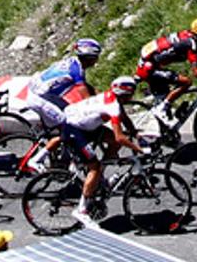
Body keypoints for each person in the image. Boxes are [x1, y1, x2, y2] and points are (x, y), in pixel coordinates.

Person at [57, 74, 139, 217]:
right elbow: (120, 137)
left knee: (112, 141)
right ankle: (81, 210)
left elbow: (124, 119)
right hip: (73, 129)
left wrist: (136, 134)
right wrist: (139, 148)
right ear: (125, 94)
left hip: (83, 125)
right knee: (94, 167)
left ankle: (99, 177)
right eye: (131, 94)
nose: (132, 97)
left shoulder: (112, 97)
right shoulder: (113, 107)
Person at [27, 39, 100, 156]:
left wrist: (101, 96)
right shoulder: (76, 70)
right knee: (69, 124)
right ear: (89, 58)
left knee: (69, 111)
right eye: (96, 56)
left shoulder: (74, 62)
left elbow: (86, 86)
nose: (97, 60)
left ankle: (58, 150)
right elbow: (86, 96)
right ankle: (36, 160)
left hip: (40, 94)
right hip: (40, 98)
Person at [134, 16, 197, 104]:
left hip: (148, 64)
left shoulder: (186, 36)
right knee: (186, 82)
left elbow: (193, 57)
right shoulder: (190, 43)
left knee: (166, 93)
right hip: (149, 68)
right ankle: (162, 108)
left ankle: (162, 104)